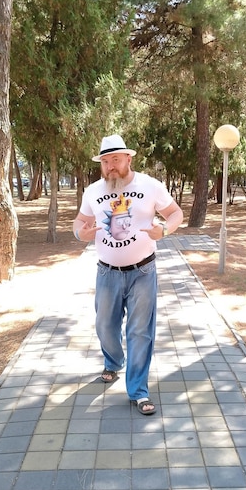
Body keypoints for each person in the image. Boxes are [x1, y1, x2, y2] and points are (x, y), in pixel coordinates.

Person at [72, 134, 184, 415]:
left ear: (128, 159)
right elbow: (80, 221)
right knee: (105, 327)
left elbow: (175, 213)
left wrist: (166, 230)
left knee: (139, 332)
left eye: (116, 160)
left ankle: (139, 391)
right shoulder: (93, 191)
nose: (111, 166)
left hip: (142, 271)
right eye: (106, 161)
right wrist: (79, 233)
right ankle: (113, 362)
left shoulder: (150, 185)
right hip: (107, 272)